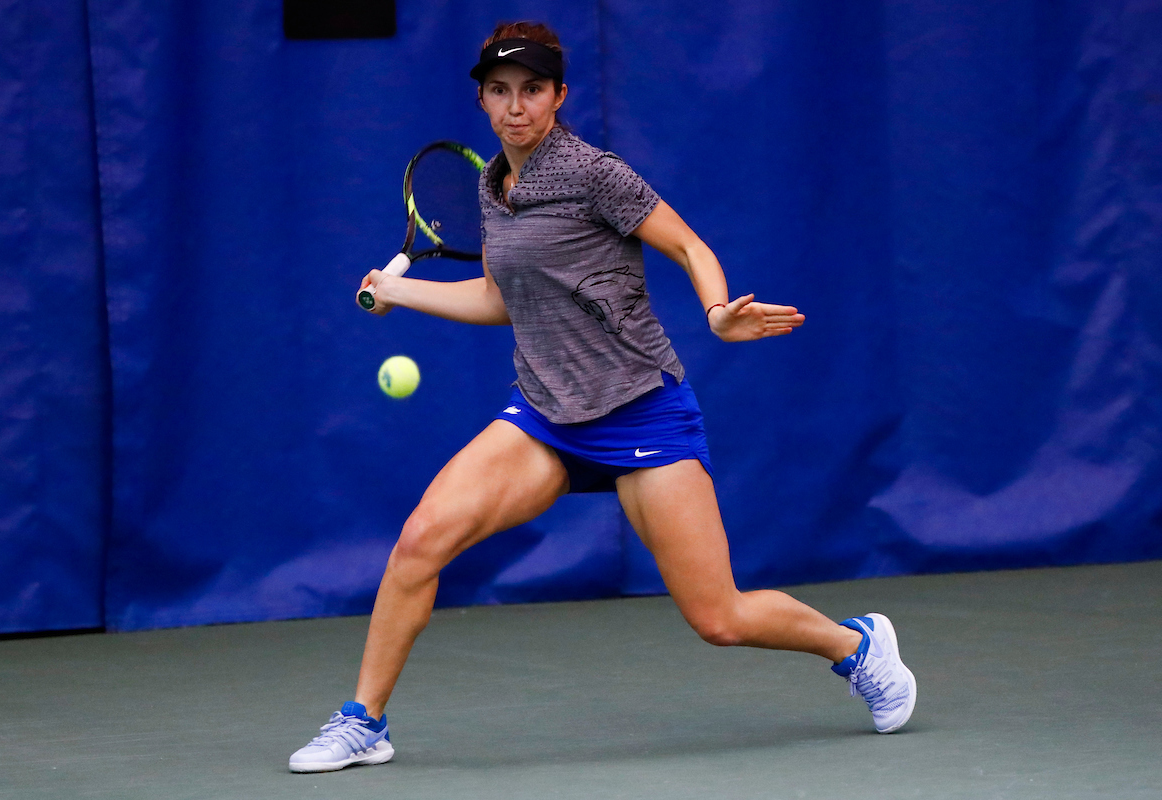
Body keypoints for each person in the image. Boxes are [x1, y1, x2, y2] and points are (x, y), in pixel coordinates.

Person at [288, 21, 916, 774]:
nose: (514, 107)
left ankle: (857, 645)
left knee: (719, 618)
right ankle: (366, 721)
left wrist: (717, 314)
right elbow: (499, 296)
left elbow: (688, 245)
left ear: (558, 95)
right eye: (499, 92)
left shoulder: (594, 173)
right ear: (483, 100)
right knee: (422, 540)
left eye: (530, 90)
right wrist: (400, 290)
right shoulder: (493, 187)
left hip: (638, 408)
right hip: (545, 412)